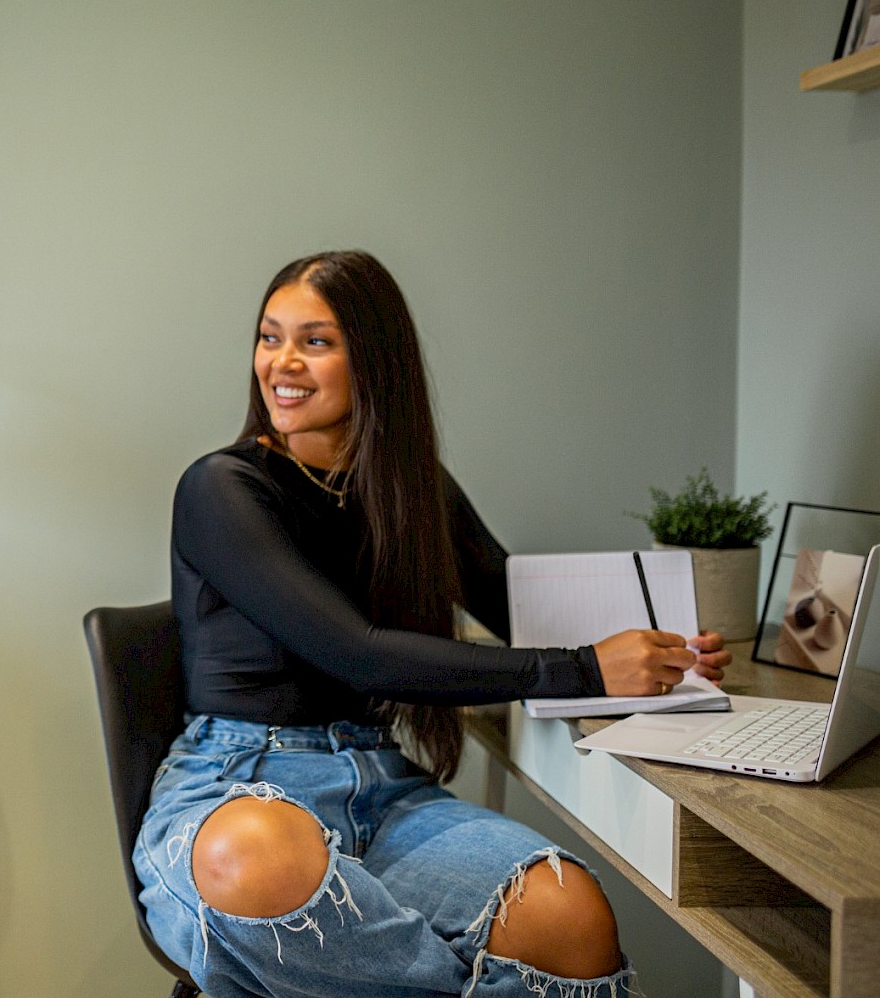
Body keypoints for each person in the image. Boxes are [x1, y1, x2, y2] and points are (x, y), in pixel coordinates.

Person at [133, 250, 730, 998]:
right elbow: (362, 656)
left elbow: (521, 611)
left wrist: (664, 651)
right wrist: (584, 667)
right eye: (269, 336)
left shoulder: (411, 490)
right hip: (240, 784)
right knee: (256, 857)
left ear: (374, 362)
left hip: (382, 792)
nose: (281, 363)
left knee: (568, 916)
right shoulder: (223, 487)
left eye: (315, 341)